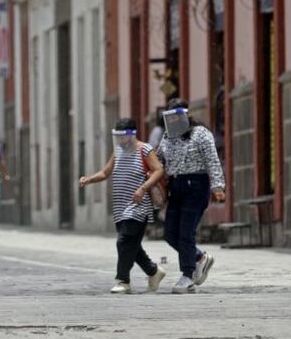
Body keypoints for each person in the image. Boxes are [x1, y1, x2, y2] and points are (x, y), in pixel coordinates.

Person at [80, 118, 167, 294]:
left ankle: (123, 281)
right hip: (120, 206)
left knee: (124, 241)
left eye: (123, 136)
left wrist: (143, 189)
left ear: (132, 134)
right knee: (132, 244)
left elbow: (158, 170)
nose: (121, 140)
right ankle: (153, 271)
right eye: (117, 136)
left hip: (139, 205)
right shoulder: (118, 151)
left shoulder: (145, 149)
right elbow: (106, 172)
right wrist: (89, 179)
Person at [158, 98, 227, 294]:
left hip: (196, 186)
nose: (173, 121)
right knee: (171, 233)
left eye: (176, 116)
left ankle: (187, 276)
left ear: (185, 115)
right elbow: (158, 159)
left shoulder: (201, 134)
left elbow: (212, 160)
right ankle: (198, 257)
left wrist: (218, 186)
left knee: (186, 232)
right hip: (176, 186)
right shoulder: (167, 137)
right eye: (169, 118)